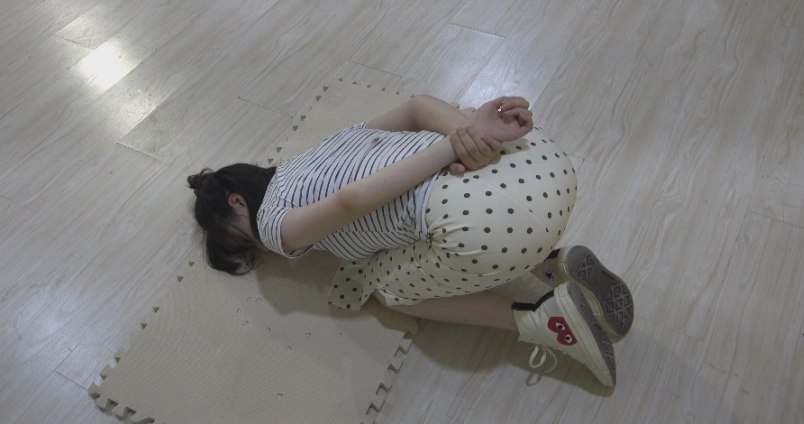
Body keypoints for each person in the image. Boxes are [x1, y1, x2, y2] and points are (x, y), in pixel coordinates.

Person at [187, 94, 634, 387]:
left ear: (238, 202)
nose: (265, 249)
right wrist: (474, 137)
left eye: (245, 240)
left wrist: (453, 149)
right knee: (419, 236)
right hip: (536, 160)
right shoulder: (315, 154)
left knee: (388, 292)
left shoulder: (273, 223)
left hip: (492, 223)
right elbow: (418, 106)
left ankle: (544, 318)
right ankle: (550, 262)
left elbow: (350, 200)